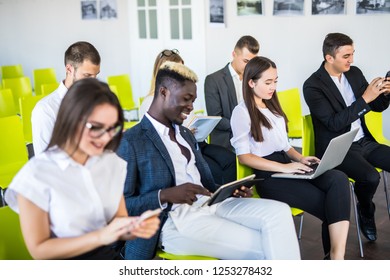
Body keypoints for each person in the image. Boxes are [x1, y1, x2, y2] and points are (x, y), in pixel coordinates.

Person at [116, 61, 301, 260]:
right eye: (186, 99)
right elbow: (122, 207)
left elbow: (205, 183)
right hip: (174, 221)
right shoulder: (131, 141)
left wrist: (229, 190)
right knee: (266, 246)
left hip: (210, 204)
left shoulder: (185, 134)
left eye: (193, 100)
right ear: (163, 92)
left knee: (280, 213)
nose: (191, 107)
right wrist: (166, 195)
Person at [5, 79, 160, 259]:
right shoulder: (37, 174)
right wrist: (100, 236)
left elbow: (118, 222)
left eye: (112, 128)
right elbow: (39, 251)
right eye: (96, 127)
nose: (105, 137)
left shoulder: (110, 163)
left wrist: (133, 228)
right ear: (71, 119)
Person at [231, 56, 351, 260]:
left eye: (275, 81)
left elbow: (285, 146)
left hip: (287, 165)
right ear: (251, 82)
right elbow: (244, 157)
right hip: (269, 176)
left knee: (338, 178)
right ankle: (335, 259)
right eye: (268, 82)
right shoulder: (241, 113)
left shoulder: (272, 106)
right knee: (330, 203)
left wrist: (301, 158)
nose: (273, 87)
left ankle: (336, 256)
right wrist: (284, 168)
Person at [303, 32, 390, 242]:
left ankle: (365, 206)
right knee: (370, 177)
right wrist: (365, 99)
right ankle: (366, 211)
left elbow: (375, 107)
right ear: (329, 57)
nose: (351, 60)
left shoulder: (354, 73)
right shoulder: (313, 86)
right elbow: (334, 123)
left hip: (364, 141)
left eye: (352, 54)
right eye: (346, 56)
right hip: (338, 148)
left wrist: (385, 93)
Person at [139, 49, 236, 186]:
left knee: (229, 159)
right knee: (214, 171)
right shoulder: (150, 104)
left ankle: (228, 197)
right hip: (182, 146)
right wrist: (184, 134)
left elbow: (188, 119)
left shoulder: (183, 99)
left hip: (196, 142)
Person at [32, 41, 101, 156]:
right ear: (69, 69)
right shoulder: (46, 109)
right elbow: (45, 160)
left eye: (96, 75)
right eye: (87, 76)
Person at [204, 35, 259, 150]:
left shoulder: (254, 80)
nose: (249, 66)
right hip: (226, 141)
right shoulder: (213, 80)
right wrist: (243, 127)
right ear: (234, 54)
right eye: (245, 61)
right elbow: (216, 118)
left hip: (252, 139)